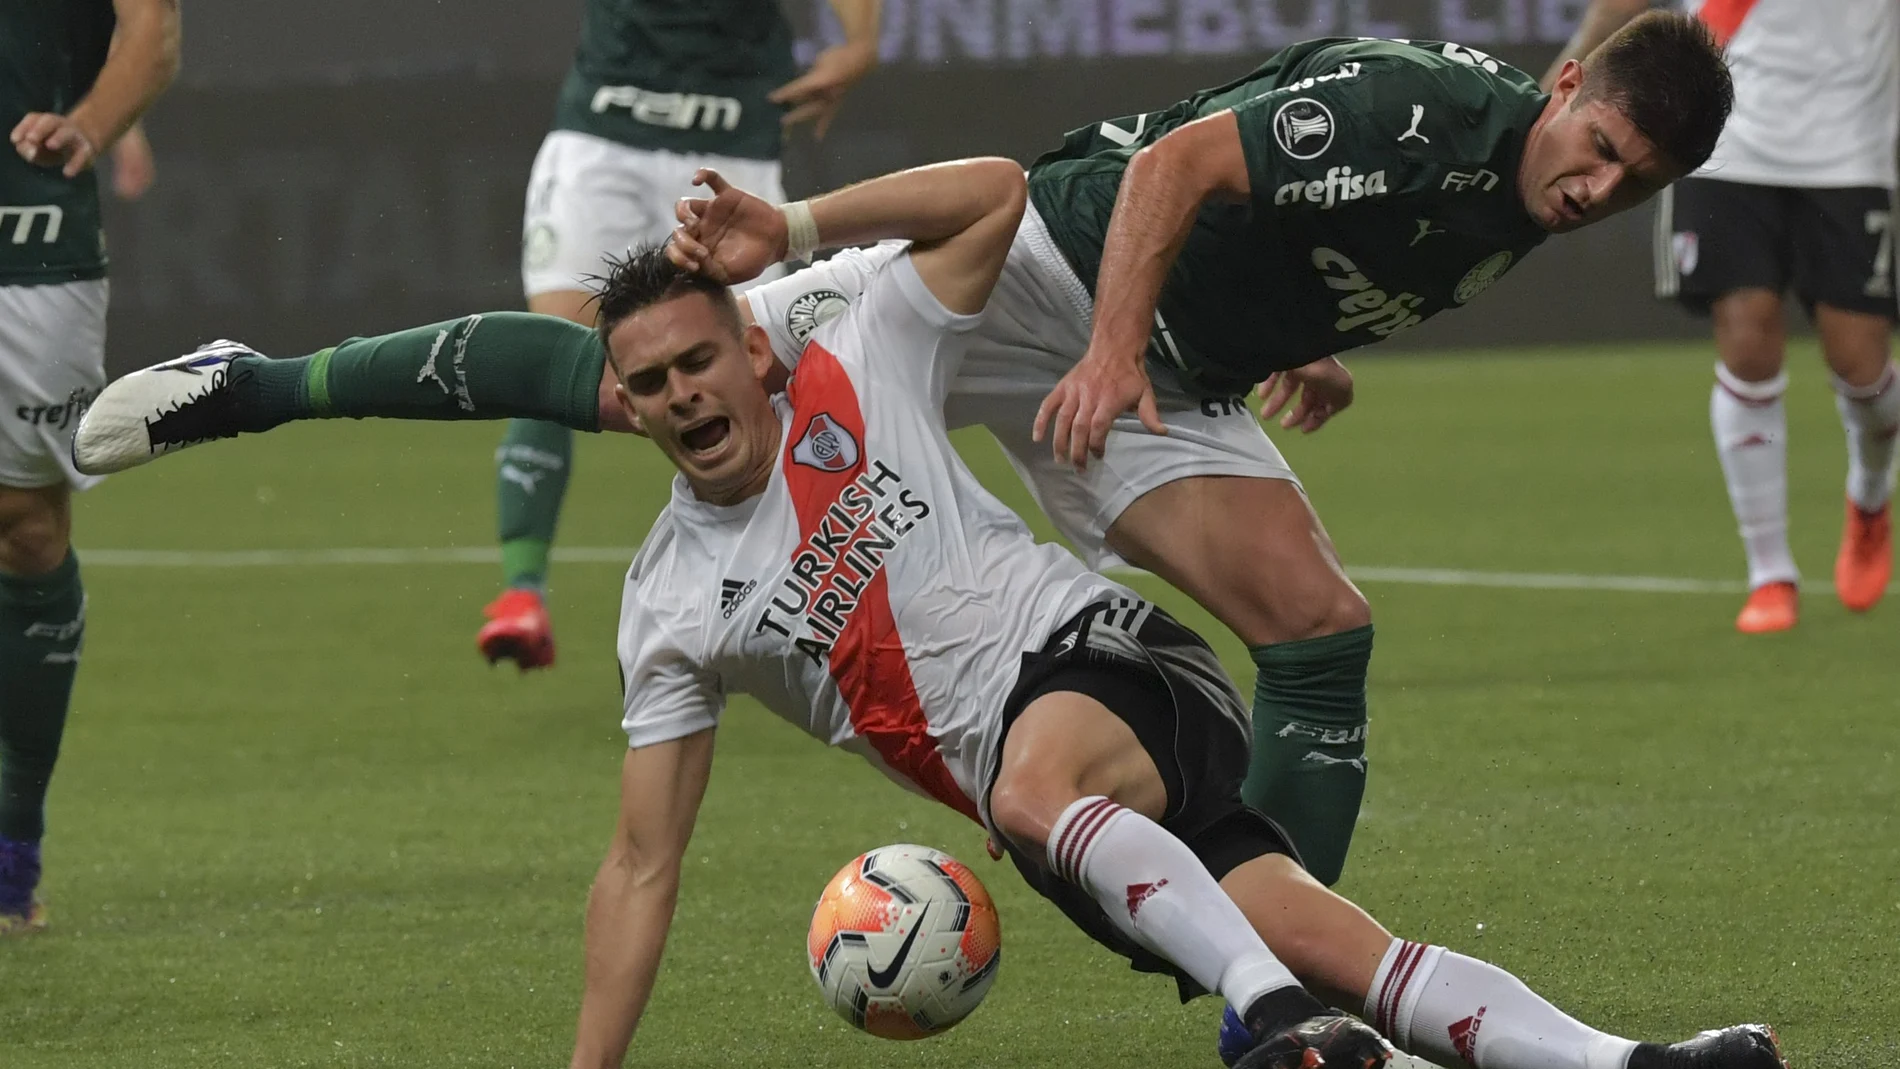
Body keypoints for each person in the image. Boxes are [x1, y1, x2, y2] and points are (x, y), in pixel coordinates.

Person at [80, 157, 1785, 1069]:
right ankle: (1634, 1058)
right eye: (647, 384)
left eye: (700, 359)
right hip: (1099, 829)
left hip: (1109, 669)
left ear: (753, 344)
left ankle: (1269, 1022)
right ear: (626, 408)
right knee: (1351, 941)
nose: (681, 396)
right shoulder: (672, 605)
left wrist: (803, 230)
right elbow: (640, 860)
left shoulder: (859, 348)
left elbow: (988, 194)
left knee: (1056, 800)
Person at [73, 17, 1733, 896]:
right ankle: (264, 384)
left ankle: (1273, 952)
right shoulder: (1424, 110)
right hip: (1050, 276)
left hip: (1162, 358)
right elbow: (1172, 173)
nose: (1595, 190)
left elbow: (1289, 233)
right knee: (631, 371)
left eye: (1630, 184)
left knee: (1322, 627)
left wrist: (1288, 332)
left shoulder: (1514, 188)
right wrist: (1096, 345)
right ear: (1565, 79)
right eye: (1596, 147)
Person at [484, 0, 882, 671]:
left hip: (729, 141)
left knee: (766, 370)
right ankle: (521, 592)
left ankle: (820, 593)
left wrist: (860, 42)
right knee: (551, 353)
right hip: (601, 133)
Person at [1549, 0, 1898, 633]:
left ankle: (1870, 501)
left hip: (1849, 144)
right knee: (1747, 343)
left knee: (1862, 368)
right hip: (1726, 141)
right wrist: (1551, 94)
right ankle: (1770, 573)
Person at [0, 0, 180, 935]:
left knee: (26, 528)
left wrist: (97, 121)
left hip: (30, 242)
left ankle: (11, 842)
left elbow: (151, 25)